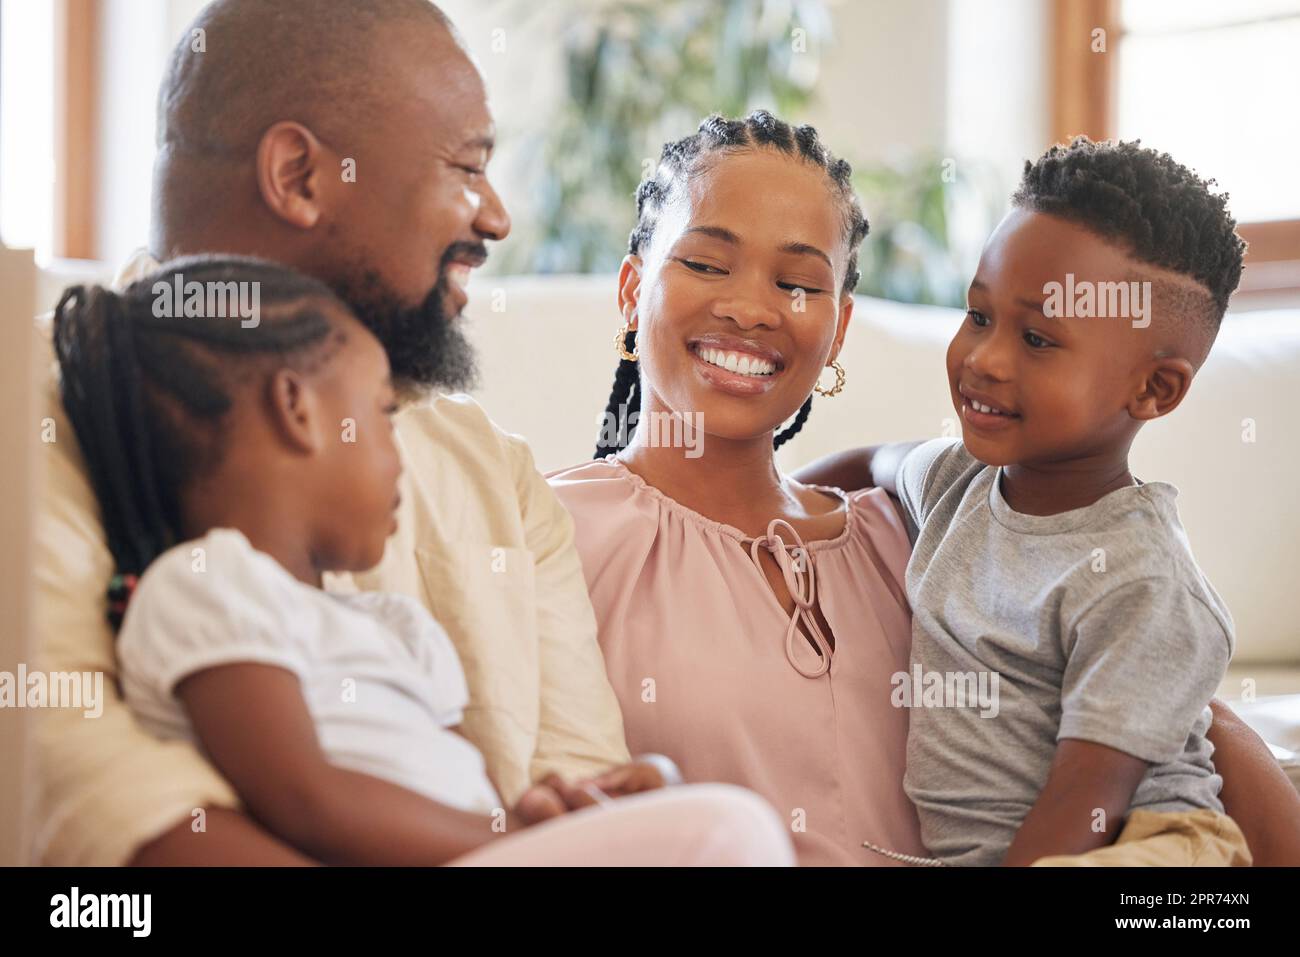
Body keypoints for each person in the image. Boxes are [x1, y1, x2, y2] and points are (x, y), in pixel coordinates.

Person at [32, 0, 649, 867]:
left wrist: (575, 818)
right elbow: (107, 824)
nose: (497, 217)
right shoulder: (37, 422)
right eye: (467, 168)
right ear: (299, 175)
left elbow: (582, 816)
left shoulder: (500, 482)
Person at [50, 256, 794, 866]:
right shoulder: (207, 586)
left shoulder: (380, 619)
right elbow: (303, 796)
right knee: (729, 835)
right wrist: (530, 841)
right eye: (380, 411)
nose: (395, 449)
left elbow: (446, 790)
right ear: (299, 410)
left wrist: (540, 813)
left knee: (689, 818)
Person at [798, 140, 1300, 866]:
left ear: (1154, 390)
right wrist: (781, 498)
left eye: (1035, 338)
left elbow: (1088, 799)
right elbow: (871, 461)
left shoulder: (1143, 581)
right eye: (978, 315)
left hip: (1149, 846)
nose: (984, 358)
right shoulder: (956, 482)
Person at [549, 111, 926, 865]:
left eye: (796, 283)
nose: (751, 308)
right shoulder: (552, 534)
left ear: (840, 328)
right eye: (707, 264)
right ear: (632, 291)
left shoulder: (905, 535)